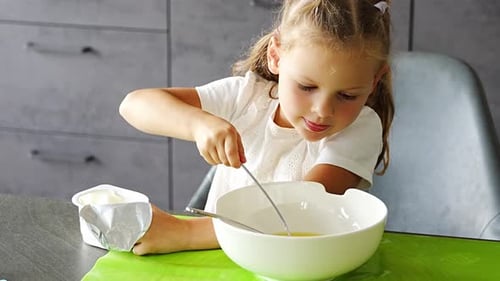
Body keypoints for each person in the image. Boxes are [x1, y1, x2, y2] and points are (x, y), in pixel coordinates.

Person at [119, 0, 394, 255]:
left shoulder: (360, 129)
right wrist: (199, 123)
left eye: (347, 96)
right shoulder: (245, 97)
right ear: (276, 55)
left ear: (374, 80)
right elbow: (134, 104)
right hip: (220, 256)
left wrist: (187, 233)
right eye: (307, 87)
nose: (323, 110)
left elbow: (302, 208)